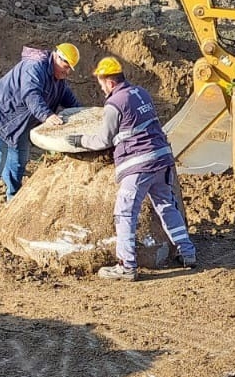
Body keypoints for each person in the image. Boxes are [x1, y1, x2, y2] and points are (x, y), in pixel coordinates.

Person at [66, 56, 197, 281]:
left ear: (109, 81)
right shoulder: (140, 93)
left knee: (125, 213)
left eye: (100, 81)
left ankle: (126, 265)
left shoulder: (114, 103)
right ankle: (188, 253)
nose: (100, 86)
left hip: (139, 164)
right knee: (166, 205)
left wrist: (80, 141)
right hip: (162, 157)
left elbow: (103, 139)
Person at [0, 43, 82, 224]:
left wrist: (84, 114)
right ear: (57, 57)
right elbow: (31, 94)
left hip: (17, 126)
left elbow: (67, 97)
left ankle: (13, 203)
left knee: (19, 162)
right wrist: (47, 115)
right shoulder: (34, 67)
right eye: (66, 66)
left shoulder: (57, 78)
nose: (67, 72)